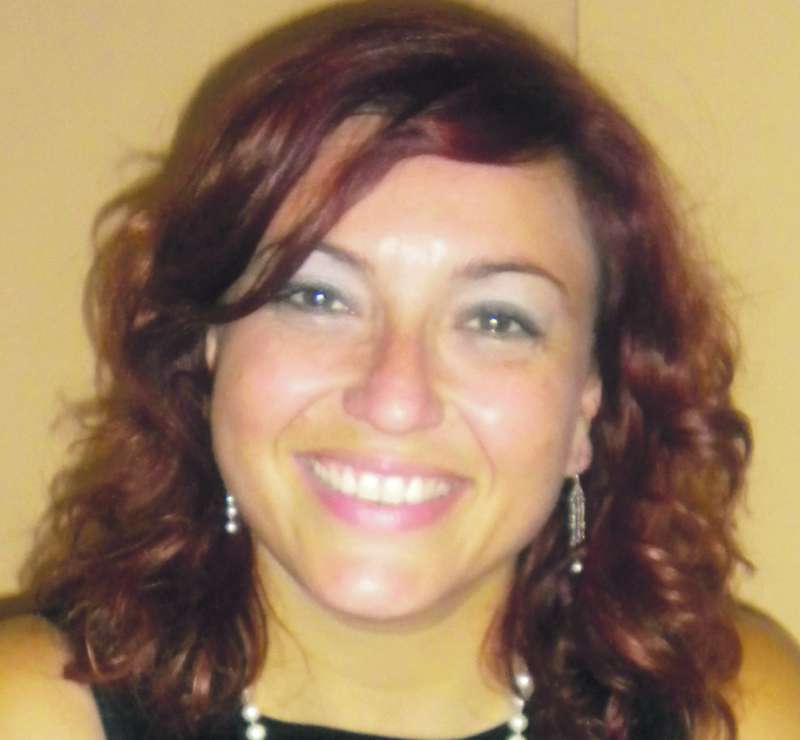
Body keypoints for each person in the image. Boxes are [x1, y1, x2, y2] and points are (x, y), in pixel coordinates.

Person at [1, 1, 799, 738]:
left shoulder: (730, 710)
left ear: (589, 406)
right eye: (317, 297)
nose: (394, 398)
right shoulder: (36, 710)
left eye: (496, 321)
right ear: (210, 345)